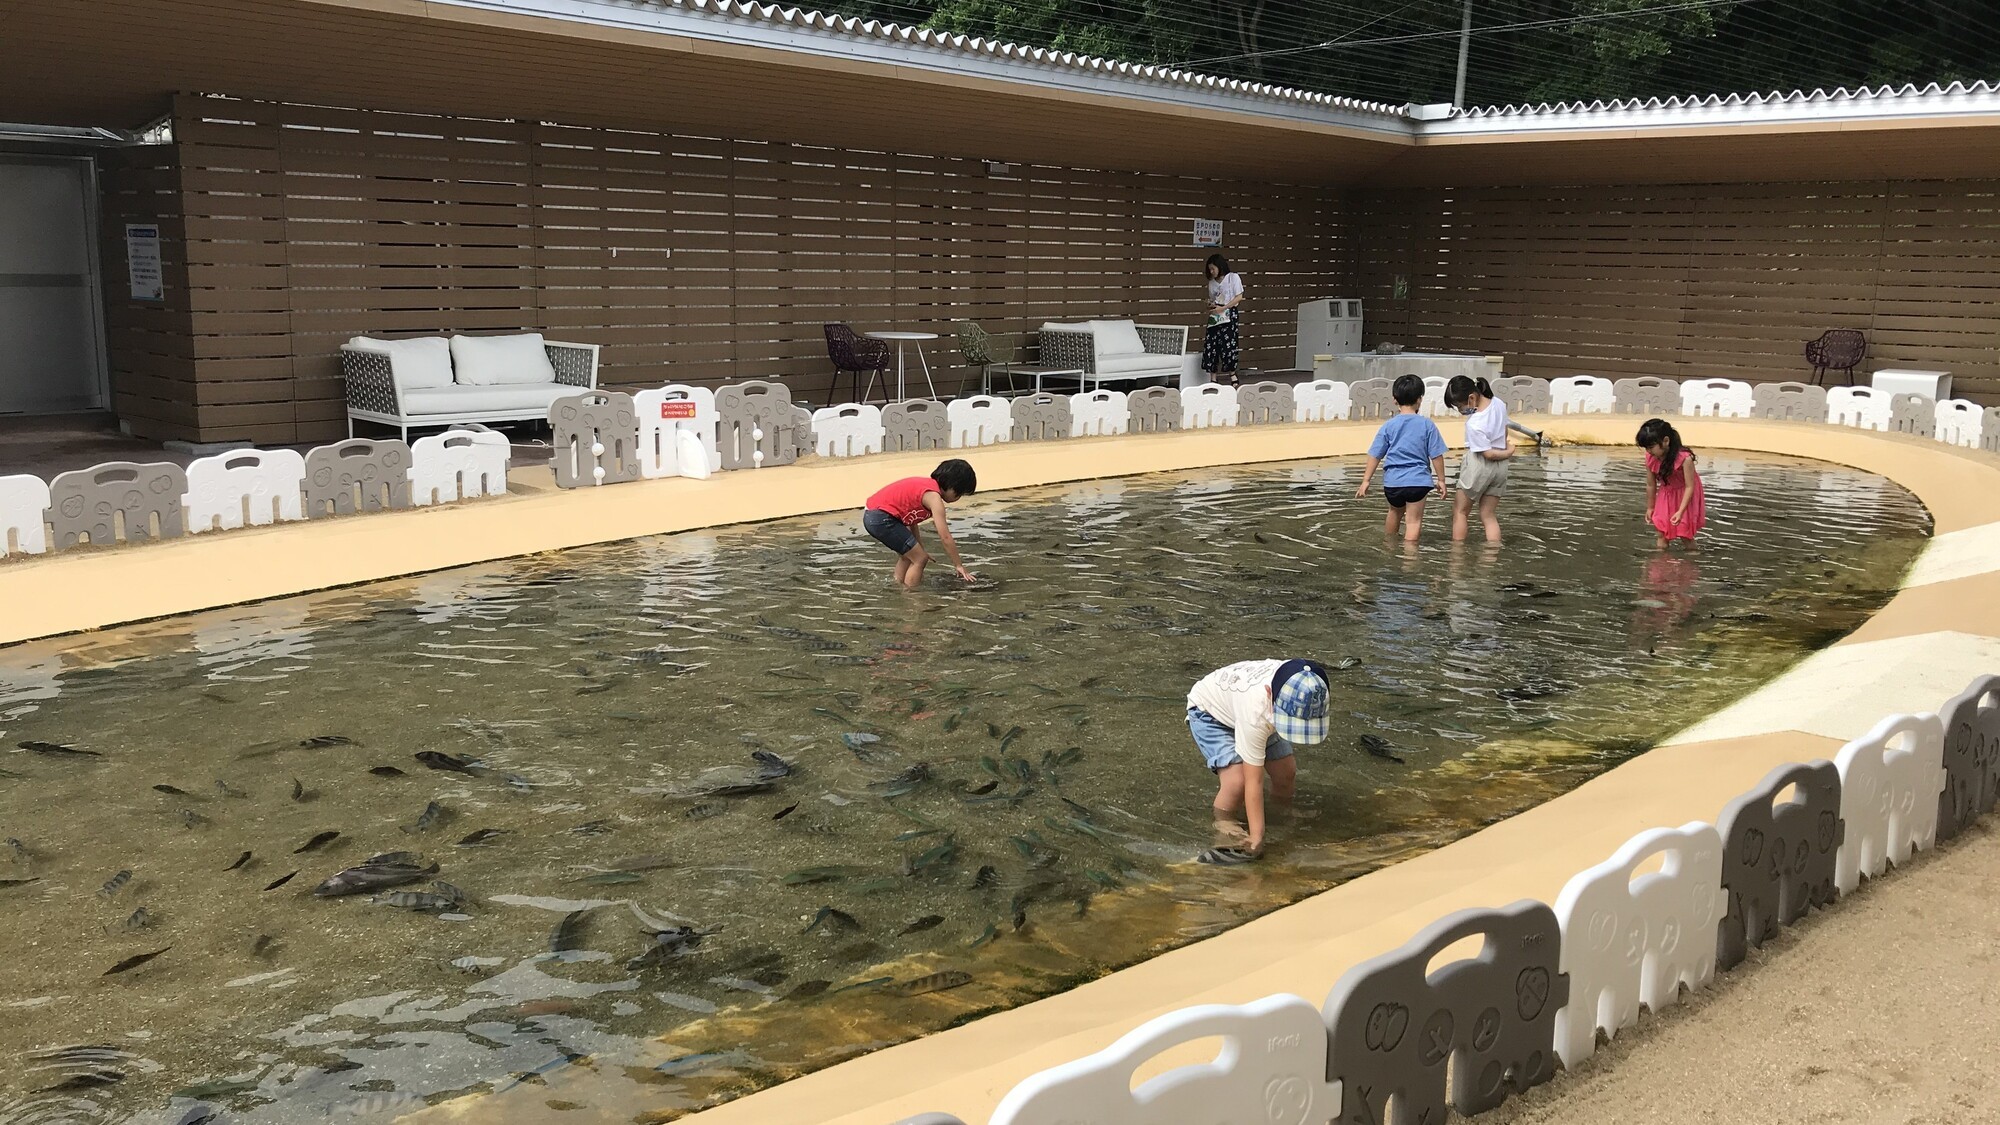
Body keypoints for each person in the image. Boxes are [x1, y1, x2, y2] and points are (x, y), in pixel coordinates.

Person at [1185, 658, 1329, 862]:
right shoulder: (1256, 712)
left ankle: (1281, 815)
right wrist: (1257, 836)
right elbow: (1255, 780)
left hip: (1255, 710)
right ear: (1270, 695)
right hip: (1210, 713)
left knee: (1286, 772)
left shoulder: (1306, 685)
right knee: (1238, 781)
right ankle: (1224, 823)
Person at [1355, 374, 1448, 543]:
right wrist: (1441, 480)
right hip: (1417, 482)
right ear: (1420, 399)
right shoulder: (1427, 425)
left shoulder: (1389, 426)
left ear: (1394, 400)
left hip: (1393, 483)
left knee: (1394, 512)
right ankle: (1409, 559)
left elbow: (1375, 454)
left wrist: (1366, 480)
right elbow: (1436, 455)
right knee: (1413, 521)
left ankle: (1389, 548)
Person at [863, 459, 978, 589]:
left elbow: (912, 522)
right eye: (960, 493)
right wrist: (958, 565)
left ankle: (897, 586)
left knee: (909, 556)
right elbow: (945, 536)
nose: (958, 498)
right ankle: (913, 598)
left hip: (873, 515)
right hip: (881, 517)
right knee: (919, 559)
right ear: (952, 485)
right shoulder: (934, 497)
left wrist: (919, 548)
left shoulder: (926, 487)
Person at [1443, 375, 1515, 543]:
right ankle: (1492, 555)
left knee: (1460, 511)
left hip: (1480, 465)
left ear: (1472, 398)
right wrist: (1506, 451)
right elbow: (1504, 432)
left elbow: (1487, 454)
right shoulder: (1498, 403)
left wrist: (1509, 452)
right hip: (1501, 469)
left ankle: (1457, 554)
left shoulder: (1474, 423)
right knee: (1488, 515)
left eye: (1459, 406)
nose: (1460, 411)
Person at [1636, 418, 1705, 547]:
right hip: (1666, 492)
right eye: (1646, 448)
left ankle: (1691, 561)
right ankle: (1660, 563)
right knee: (1661, 532)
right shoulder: (1650, 458)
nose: (1648, 451)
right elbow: (1651, 485)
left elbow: (1690, 486)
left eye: (1651, 447)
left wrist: (1680, 511)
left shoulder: (1685, 458)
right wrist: (1650, 507)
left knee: (1685, 534)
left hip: (1685, 494)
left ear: (1666, 441)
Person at [1201, 253, 1244, 386]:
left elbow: (1239, 297)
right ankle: (1213, 377)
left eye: (1213, 268)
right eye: (1210, 269)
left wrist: (1224, 307)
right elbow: (1214, 299)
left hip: (1228, 313)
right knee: (1211, 344)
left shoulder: (1233, 278)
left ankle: (1232, 375)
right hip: (1216, 315)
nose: (1211, 272)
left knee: (1228, 345)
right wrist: (1211, 305)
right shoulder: (1212, 283)